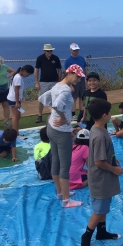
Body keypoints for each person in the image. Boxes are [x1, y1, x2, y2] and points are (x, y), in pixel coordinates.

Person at [80, 98, 123, 246]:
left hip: (104, 176)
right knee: (99, 210)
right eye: (110, 112)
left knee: (104, 206)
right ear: (105, 115)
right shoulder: (99, 135)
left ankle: (102, 231)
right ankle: (86, 237)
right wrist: (114, 169)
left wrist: (112, 158)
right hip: (101, 177)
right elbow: (99, 161)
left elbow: (102, 154)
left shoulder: (97, 128)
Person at [38, 64, 86, 208]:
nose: (79, 80)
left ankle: (60, 193)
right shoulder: (65, 90)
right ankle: (66, 200)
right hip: (61, 131)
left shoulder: (57, 86)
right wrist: (64, 118)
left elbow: (43, 99)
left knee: (56, 162)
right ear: (70, 73)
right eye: (77, 76)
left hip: (51, 127)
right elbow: (57, 105)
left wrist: (54, 114)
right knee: (65, 165)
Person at [35, 44, 62, 124]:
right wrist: (37, 82)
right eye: (48, 51)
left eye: (51, 51)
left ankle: (54, 114)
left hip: (54, 81)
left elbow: (59, 69)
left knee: (55, 98)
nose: (50, 52)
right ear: (44, 51)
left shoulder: (55, 58)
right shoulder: (40, 58)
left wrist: (59, 80)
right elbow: (36, 70)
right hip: (43, 81)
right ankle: (40, 115)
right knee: (41, 99)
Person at [63, 43, 88, 122]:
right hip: (74, 81)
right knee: (74, 98)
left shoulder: (81, 58)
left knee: (82, 97)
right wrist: (70, 84)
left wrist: (87, 79)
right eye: (74, 50)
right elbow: (66, 73)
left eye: (77, 50)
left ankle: (81, 112)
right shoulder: (68, 60)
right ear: (71, 50)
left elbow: (85, 68)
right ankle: (73, 114)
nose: (76, 51)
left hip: (82, 80)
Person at [7, 65, 35, 134]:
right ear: (24, 71)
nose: (27, 76)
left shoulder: (17, 76)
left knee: (18, 115)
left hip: (15, 99)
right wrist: (17, 102)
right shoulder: (18, 78)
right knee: (15, 117)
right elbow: (16, 90)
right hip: (14, 100)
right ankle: (15, 133)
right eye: (28, 74)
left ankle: (16, 131)